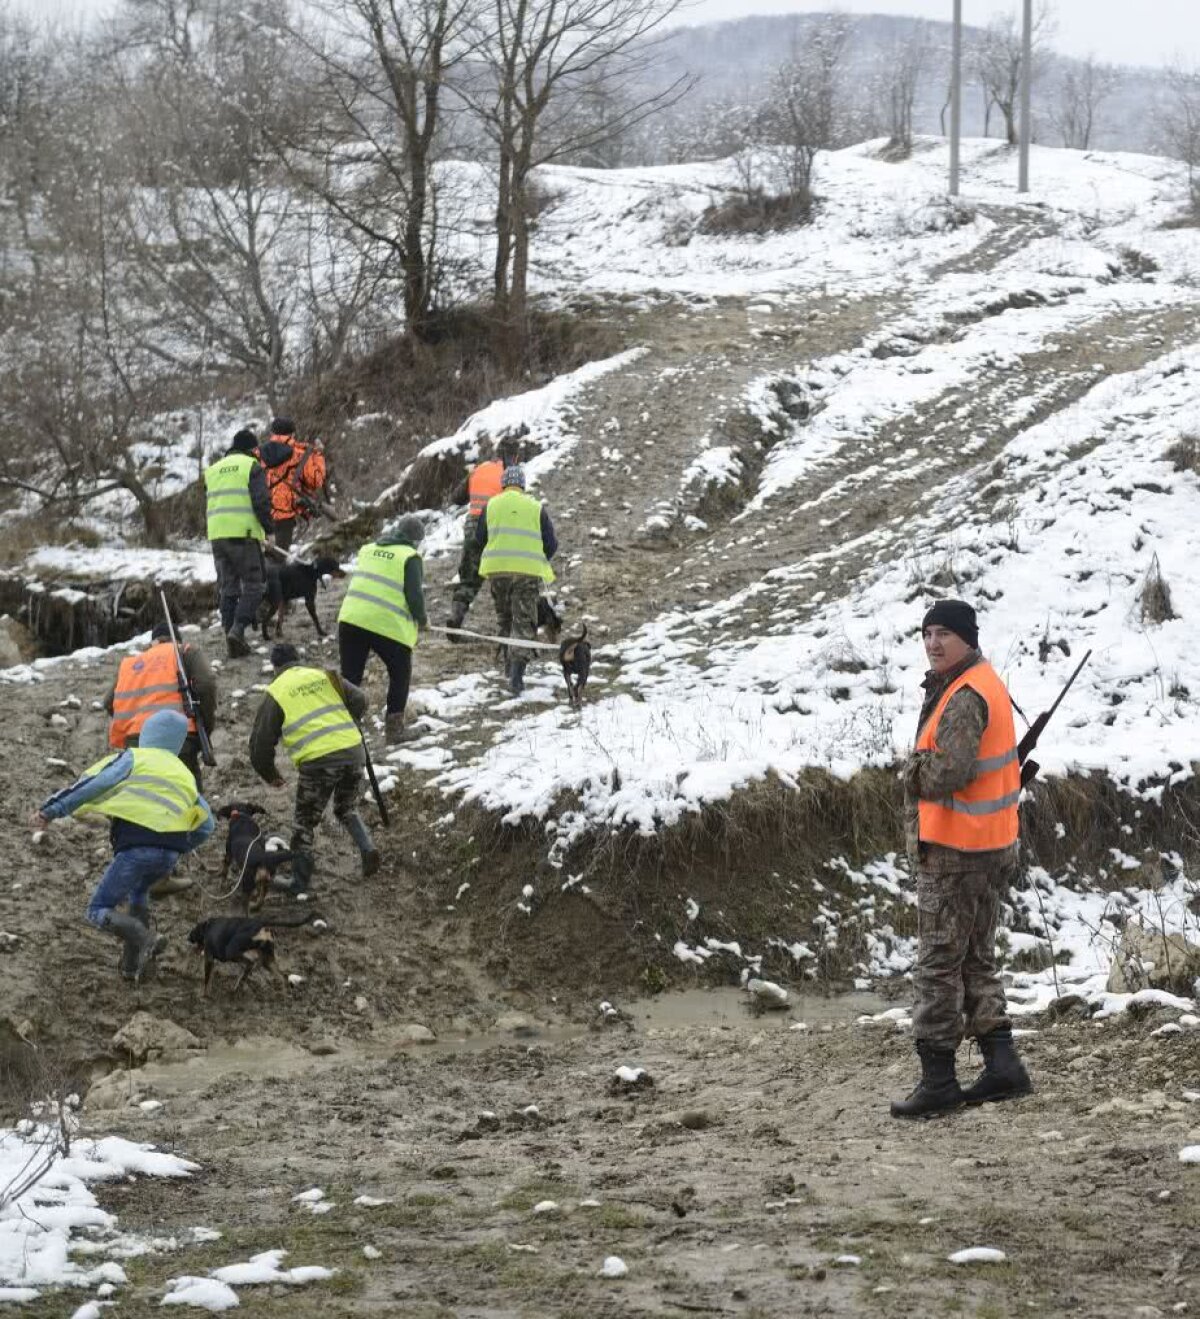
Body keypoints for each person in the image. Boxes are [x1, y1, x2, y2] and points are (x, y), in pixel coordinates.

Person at [891, 599, 1031, 1119]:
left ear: (967, 638)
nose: (933, 643)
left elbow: (948, 772)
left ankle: (939, 1081)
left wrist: (909, 768)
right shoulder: (982, 681)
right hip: (989, 845)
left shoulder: (965, 694)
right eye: (927, 633)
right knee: (974, 958)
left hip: (956, 851)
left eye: (944, 633)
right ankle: (1003, 1068)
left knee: (937, 966)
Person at [31, 710, 214, 982]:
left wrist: (52, 810)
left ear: (147, 735)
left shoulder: (134, 757)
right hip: (168, 855)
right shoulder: (184, 773)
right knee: (139, 895)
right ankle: (130, 968)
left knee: (97, 910)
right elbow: (207, 825)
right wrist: (180, 847)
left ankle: (146, 938)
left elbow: (95, 784)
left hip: (135, 850)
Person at [250, 643, 379, 895]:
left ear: (275, 668)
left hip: (319, 762)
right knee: (346, 807)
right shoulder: (323, 675)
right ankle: (367, 848)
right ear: (299, 659)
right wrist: (345, 722)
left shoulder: (276, 690)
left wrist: (270, 774)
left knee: (304, 824)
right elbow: (361, 699)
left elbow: (260, 744)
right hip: (353, 751)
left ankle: (298, 882)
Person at [337, 515, 427, 746]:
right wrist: (422, 620)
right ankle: (394, 730)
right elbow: (415, 596)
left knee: (350, 677)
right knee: (400, 673)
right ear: (416, 541)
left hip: (351, 619)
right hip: (385, 625)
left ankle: (344, 729)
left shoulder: (368, 549)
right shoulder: (410, 557)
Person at [103, 622, 216, 790]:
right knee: (187, 797)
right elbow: (206, 684)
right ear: (176, 639)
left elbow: (108, 702)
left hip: (137, 743)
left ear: (153, 642)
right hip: (179, 739)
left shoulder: (130, 664)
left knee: (144, 800)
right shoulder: (184, 652)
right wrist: (204, 727)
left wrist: (134, 724)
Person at [475, 464, 557, 696]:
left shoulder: (491, 505)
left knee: (505, 619)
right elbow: (551, 544)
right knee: (523, 621)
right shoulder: (534, 507)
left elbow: (478, 538)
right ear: (522, 485)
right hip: (525, 574)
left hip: (497, 573)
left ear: (503, 485)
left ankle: (507, 668)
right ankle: (516, 677)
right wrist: (537, 560)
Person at [205, 427, 273, 657]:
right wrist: (269, 531)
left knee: (228, 587)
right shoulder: (251, 467)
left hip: (217, 536)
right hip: (243, 535)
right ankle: (238, 629)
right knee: (255, 585)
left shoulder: (213, 470)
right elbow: (261, 501)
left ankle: (230, 638)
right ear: (252, 449)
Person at [446, 436, 520, 632]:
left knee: (469, 575)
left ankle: (457, 615)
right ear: (516, 455)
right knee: (501, 575)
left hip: (472, 525)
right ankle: (505, 626)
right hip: (496, 527)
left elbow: (457, 498)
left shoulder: (479, 469)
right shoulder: (511, 474)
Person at [260, 417, 328, 552]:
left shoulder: (258, 453)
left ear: (272, 433)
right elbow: (316, 482)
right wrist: (319, 455)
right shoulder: (300, 455)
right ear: (292, 434)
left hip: (261, 511)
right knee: (279, 556)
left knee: (260, 558)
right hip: (284, 515)